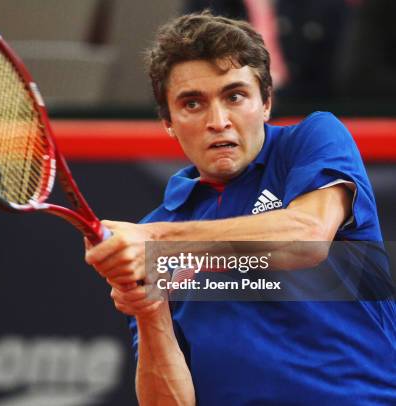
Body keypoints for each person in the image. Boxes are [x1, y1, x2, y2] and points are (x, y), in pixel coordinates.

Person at [84, 11, 396, 406]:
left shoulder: (312, 140)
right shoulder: (156, 229)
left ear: (265, 102)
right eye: (192, 104)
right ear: (168, 121)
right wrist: (150, 310)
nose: (219, 121)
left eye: (235, 96)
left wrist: (155, 243)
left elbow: (308, 238)